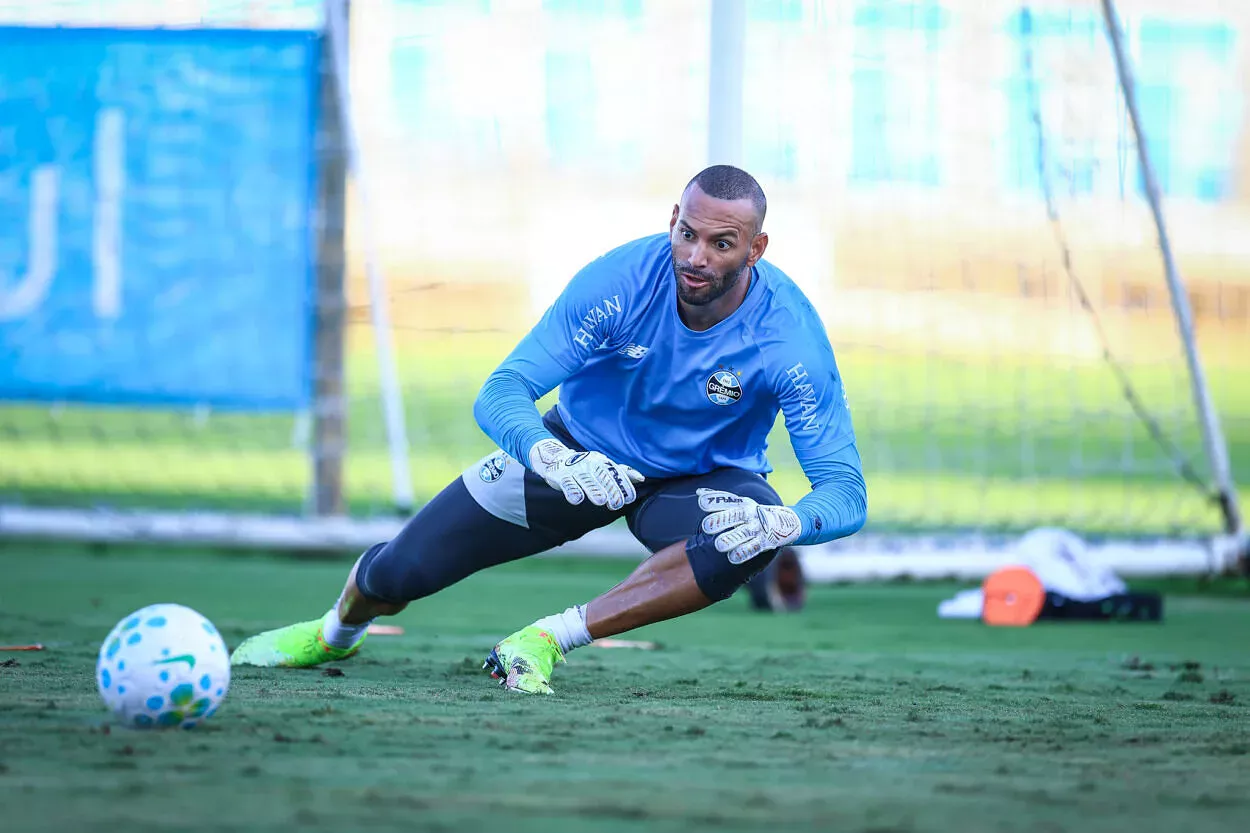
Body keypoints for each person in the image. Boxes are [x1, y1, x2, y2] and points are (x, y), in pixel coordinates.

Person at [231, 165, 868, 694]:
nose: (696, 257)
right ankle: (332, 634)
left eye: (721, 244)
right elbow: (502, 390)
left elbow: (845, 491)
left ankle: (545, 639)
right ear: (673, 218)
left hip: (698, 480)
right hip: (574, 456)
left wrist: (788, 523)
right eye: (686, 234)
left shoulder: (791, 340)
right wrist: (552, 457)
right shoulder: (616, 283)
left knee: (746, 533)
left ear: (756, 249)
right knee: (399, 574)